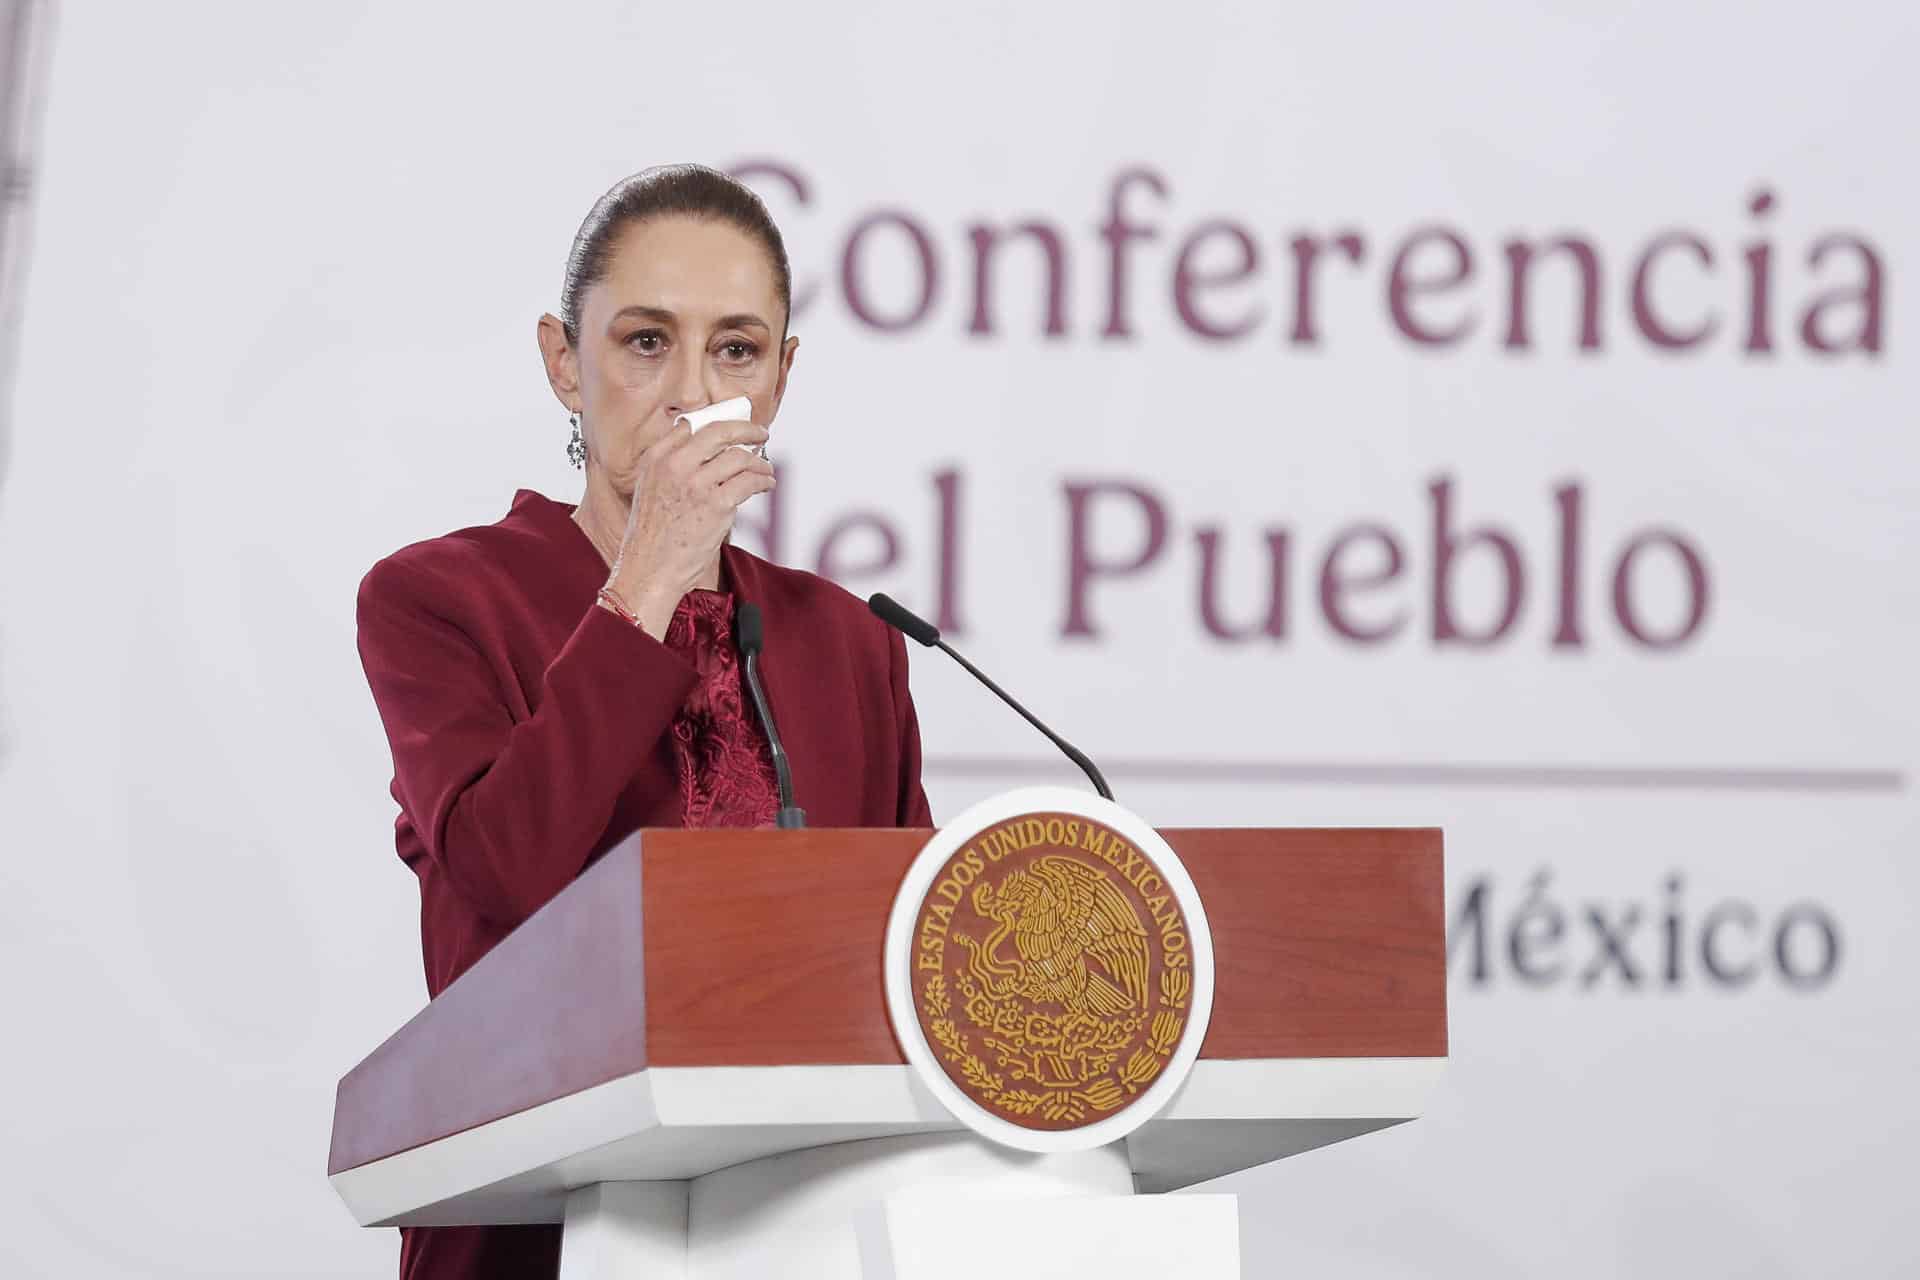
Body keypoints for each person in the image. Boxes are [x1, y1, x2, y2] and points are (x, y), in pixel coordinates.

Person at [354, 164, 934, 1280]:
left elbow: (906, 962)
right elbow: (505, 872)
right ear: (564, 363)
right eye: (643, 342)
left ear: (782, 375)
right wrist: (647, 585)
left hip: (812, 1225)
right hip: (539, 1228)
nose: (688, 394)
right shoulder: (440, 597)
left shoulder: (849, 640)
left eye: (736, 349)